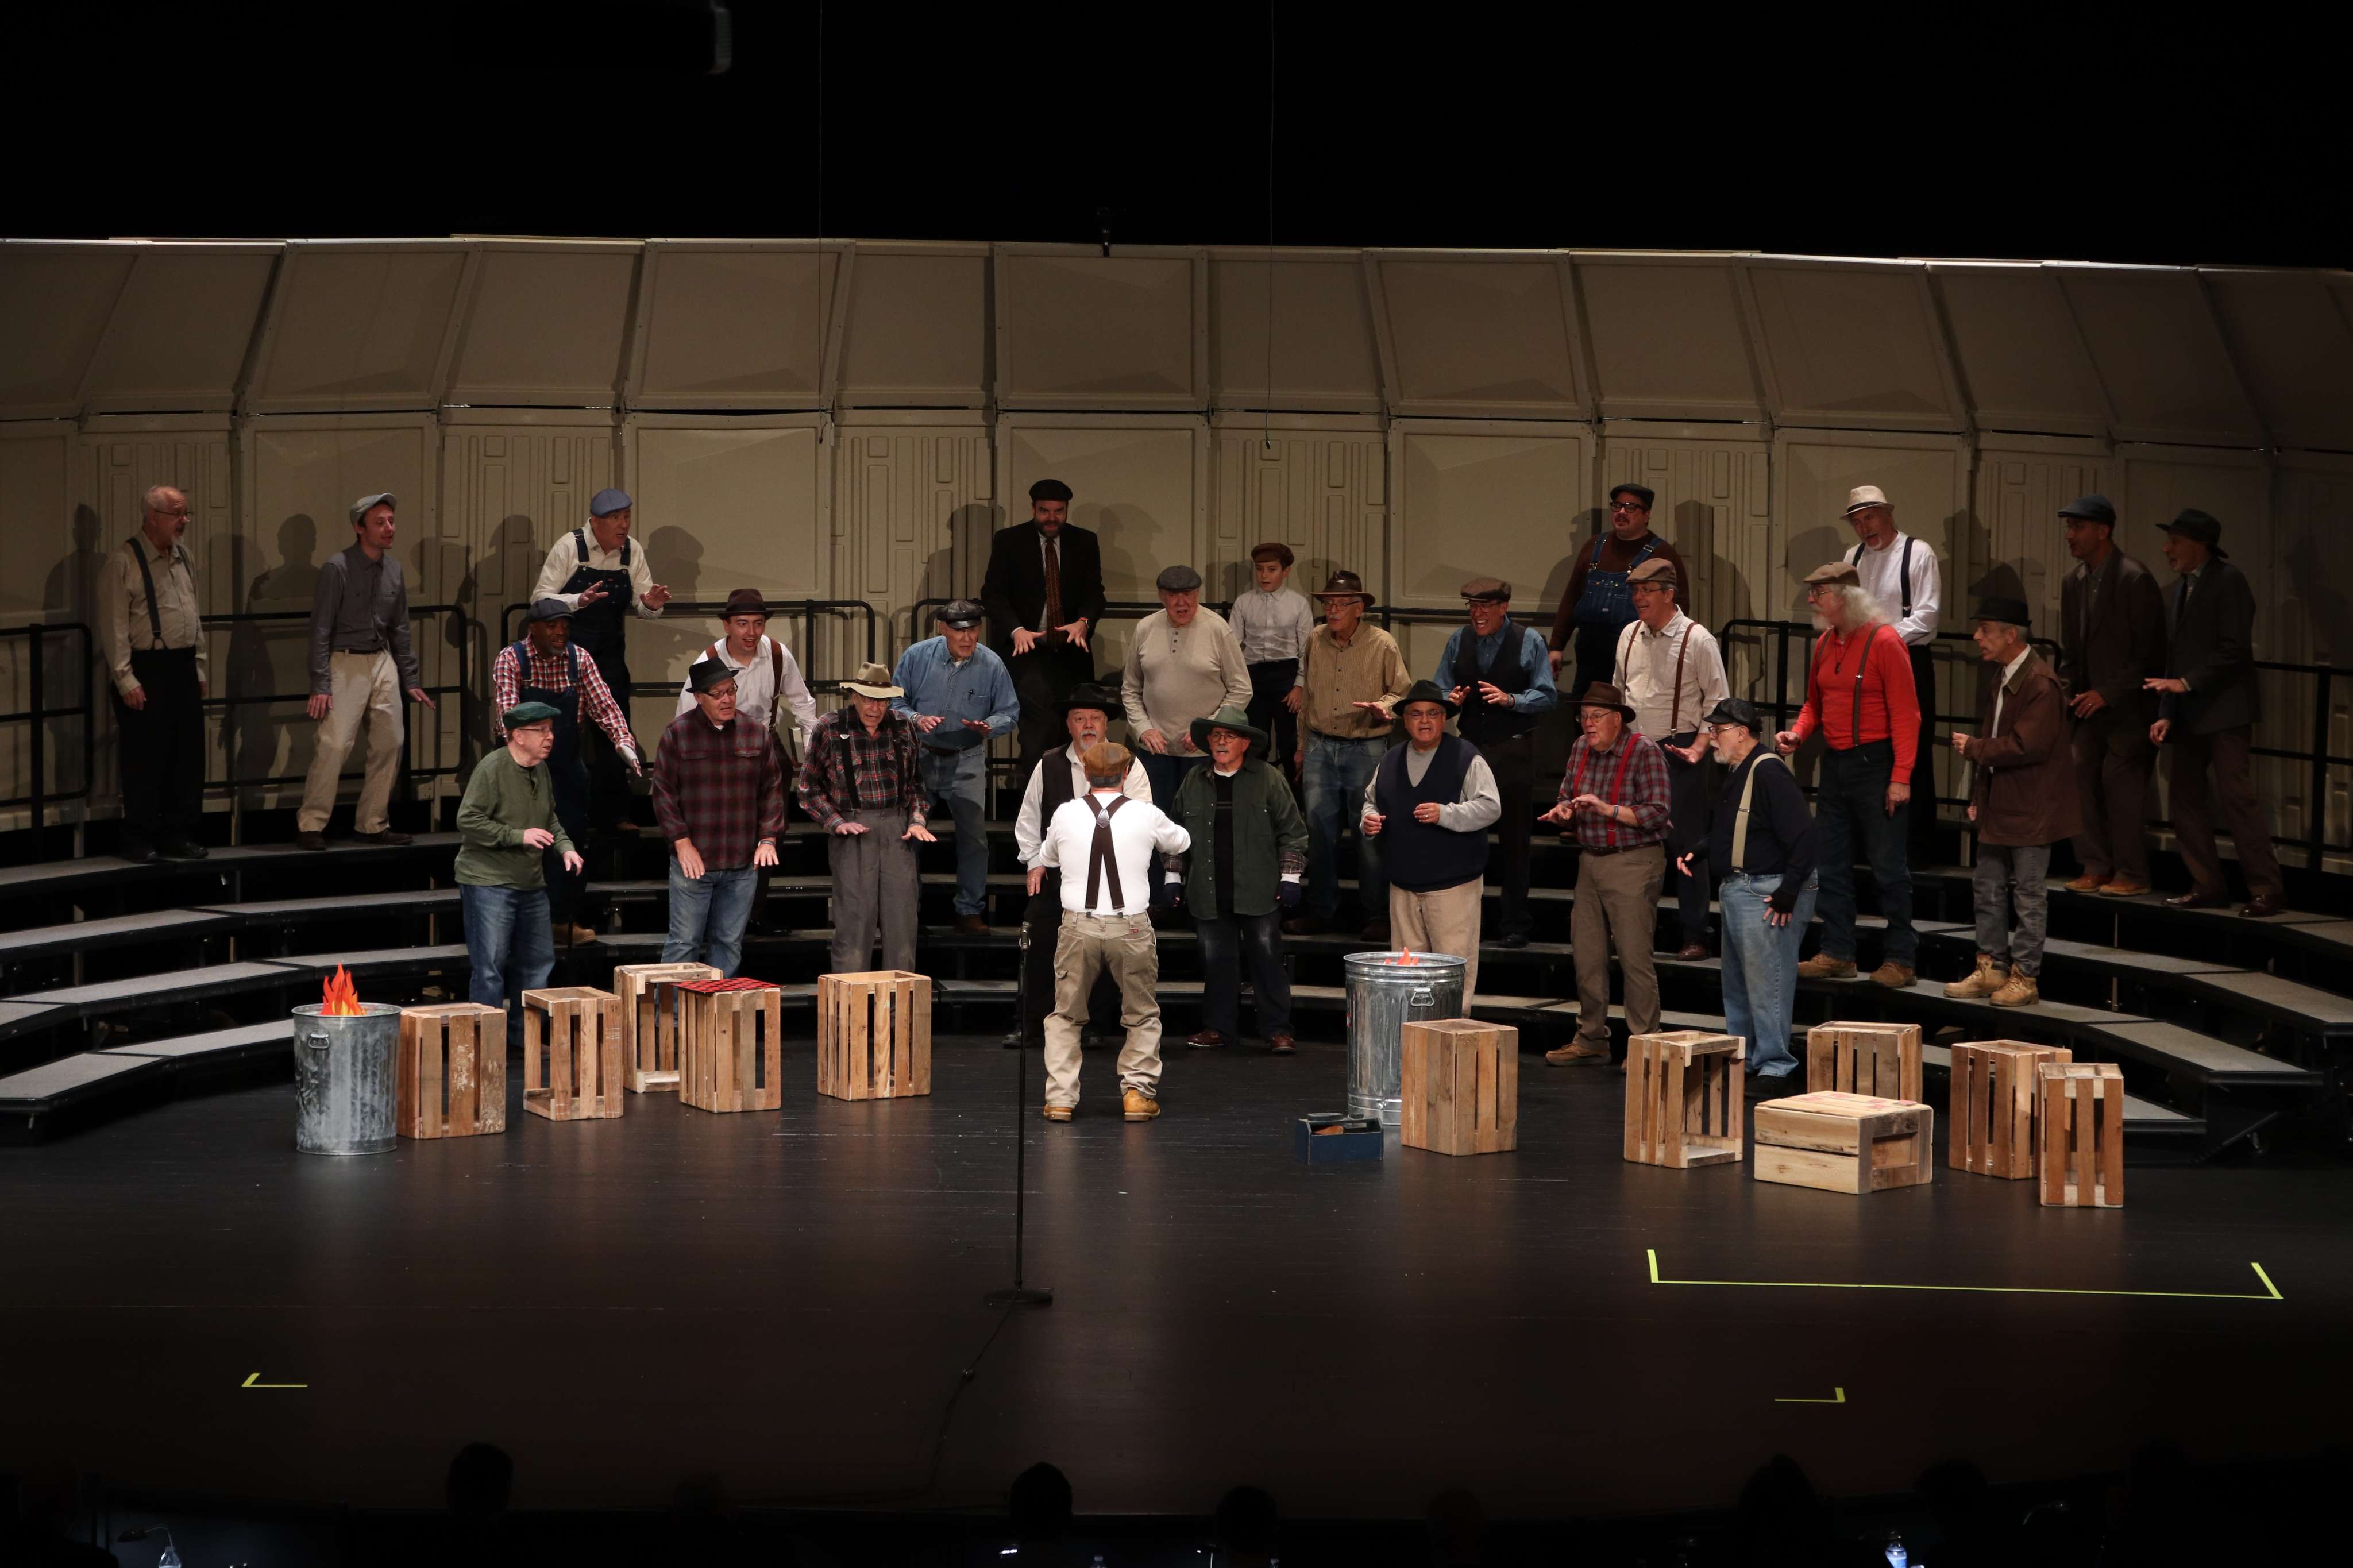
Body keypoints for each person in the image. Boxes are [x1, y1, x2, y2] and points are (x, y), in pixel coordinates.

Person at [1777, 561, 1920, 987]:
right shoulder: (1825, 643)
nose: (1811, 600)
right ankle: (1839, 952)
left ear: (1845, 597)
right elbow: (1814, 704)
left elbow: (1907, 715)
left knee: (1888, 866)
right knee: (1831, 863)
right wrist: (1799, 733)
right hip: (1836, 764)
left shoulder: (1885, 642)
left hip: (1877, 765)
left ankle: (1901, 959)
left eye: (1819, 593)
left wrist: (1901, 776)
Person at [1034, 740, 1191, 1121]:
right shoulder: (1146, 813)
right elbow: (1182, 841)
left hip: (1079, 926)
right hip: (1131, 927)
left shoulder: (1066, 813)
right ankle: (1136, 1094)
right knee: (1141, 1014)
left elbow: (1047, 857)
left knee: (1066, 1015)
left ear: (1087, 774)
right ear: (1126, 774)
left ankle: (1061, 1099)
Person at [2145, 509, 2282, 917]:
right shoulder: (2180, 589)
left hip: (2225, 710)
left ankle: (2267, 889)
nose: (2167, 549)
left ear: (2200, 545)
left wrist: (2187, 684)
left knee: (2237, 798)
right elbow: (2174, 657)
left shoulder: (2229, 581)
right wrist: (2167, 710)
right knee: (2185, 798)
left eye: (2175, 541)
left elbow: (2233, 648)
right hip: (2189, 713)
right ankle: (2207, 885)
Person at [1946, 599, 2081, 1007]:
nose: (1977, 637)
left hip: (2031, 806)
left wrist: (1974, 748)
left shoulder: (2040, 683)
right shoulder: (2004, 676)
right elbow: (1999, 736)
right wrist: (1979, 795)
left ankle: (2025, 976)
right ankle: (1992, 967)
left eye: (1985, 629)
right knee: (1986, 885)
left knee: (2028, 893)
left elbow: (2026, 746)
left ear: (2010, 635)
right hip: (2002, 801)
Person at [490, 600, 643, 946]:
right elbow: (507, 718)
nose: (561, 632)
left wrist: (624, 743)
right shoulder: (512, 659)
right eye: (553, 625)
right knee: (523, 845)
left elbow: (605, 707)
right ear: (533, 628)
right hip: (523, 767)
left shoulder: (579, 659)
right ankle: (518, 926)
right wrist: (530, 752)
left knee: (570, 842)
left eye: (565, 626)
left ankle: (561, 920)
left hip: (566, 767)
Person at [1684, 698, 1817, 1090]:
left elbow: (1805, 836)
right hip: (1741, 888)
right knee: (1739, 985)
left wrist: (1788, 891)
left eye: (1718, 731)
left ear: (1742, 733)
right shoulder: (1739, 771)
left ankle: (1776, 1064)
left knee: (1766, 983)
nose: (1712, 738)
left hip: (1765, 889)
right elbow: (1735, 827)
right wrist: (1702, 849)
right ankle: (1745, 1059)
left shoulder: (1769, 771)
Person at [1011, 683, 1152, 1050]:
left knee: (1103, 950)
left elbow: (1143, 818)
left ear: (1106, 725)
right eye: (1079, 719)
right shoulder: (1049, 763)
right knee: (1042, 945)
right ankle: (1032, 1023)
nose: (1088, 725)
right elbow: (1029, 819)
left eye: (1095, 718)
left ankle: (1092, 1025)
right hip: (1058, 874)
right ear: (1069, 725)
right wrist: (1034, 863)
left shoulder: (1130, 764)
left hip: (1109, 875)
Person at [1539, 683, 1671, 1065]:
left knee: (1633, 957)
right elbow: (1567, 793)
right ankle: (1592, 1037)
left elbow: (1658, 812)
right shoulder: (1581, 747)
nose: (1588, 724)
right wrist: (1564, 810)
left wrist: (1607, 809)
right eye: (1584, 717)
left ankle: (1645, 1044)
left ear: (1617, 720)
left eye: (1597, 716)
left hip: (1634, 861)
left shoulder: (1643, 750)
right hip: (1591, 860)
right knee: (1588, 956)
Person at [297, 492, 437, 851]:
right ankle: (311, 824)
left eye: (391, 521)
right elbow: (320, 629)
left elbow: (400, 627)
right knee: (334, 744)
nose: (389, 528)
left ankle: (373, 823)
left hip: (381, 658)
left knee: (391, 741)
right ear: (359, 529)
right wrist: (321, 683)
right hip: (345, 660)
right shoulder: (338, 568)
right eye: (380, 522)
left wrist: (410, 678)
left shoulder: (394, 569)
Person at [1164, 706, 1307, 1053]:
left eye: (1229, 736)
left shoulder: (1269, 778)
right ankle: (1219, 1029)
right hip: (1207, 889)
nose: (1221, 742)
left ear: (1245, 744)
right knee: (1216, 962)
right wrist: (1172, 876)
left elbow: (1292, 831)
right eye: (1216, 736)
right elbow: (1174, 834)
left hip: (1259, 889)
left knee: (1268, 960)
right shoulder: (1194, 780)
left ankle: (1277, 1031)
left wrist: (1290, 877)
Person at [533, 487, 673, 831]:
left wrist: (651, 605)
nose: (623, 524)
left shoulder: (632, 551)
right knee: (561, 729)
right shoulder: (570, 546)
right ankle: (555, 816)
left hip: (609, 653)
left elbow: (643, 604)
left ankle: (614, 815)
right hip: (565, 653)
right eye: (614, 518)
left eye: (626, 516)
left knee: (615, 727)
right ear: (595, 521)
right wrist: (577, 600)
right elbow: (539, 599)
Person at [1614, 555, 1730, 958]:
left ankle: (1696, 934)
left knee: (1686, 845)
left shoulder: (1698, 640)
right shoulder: (1629, 635)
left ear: (1669, 594)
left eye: (1646, 590)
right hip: (1634, 751)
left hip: (1678, 751)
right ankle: (1630, 933)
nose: (1638, 597)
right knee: (1631, 847)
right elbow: (1619, 693)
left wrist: (1699, 747)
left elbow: (1718, 703)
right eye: (1635, 590)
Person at [1288, 569, 1411, 941]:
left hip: (1366, 747)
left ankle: (1376, 915)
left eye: (1342, 604)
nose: (1333, 610)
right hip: (1320, 746)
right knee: (1319, 833)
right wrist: (1301, 746)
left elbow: (1402, 693)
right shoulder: (1315, 638)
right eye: (1329, 603)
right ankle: (1321, 911)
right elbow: (1308, 696)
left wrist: (1382, 707)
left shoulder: (1382, 643)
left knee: (1369, 832)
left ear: (1360, 609)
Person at [1435, 577, 1557, 948]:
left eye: (1485, 606)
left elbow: (1547, 695)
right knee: (1461, 832)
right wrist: (1450, 699)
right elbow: (1440, 687)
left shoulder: (1529, 640)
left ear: (1504, 607)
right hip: (1470, 749)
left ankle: (1515, 923)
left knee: (1515, 840)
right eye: (1472, 606)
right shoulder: (1459, 640)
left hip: (1512, 749)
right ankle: (1460, 923)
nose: (1477, 613)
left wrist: (1511, 700)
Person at [1360, 682, 1500, 1003]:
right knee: (1408, 979)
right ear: (1405, 720)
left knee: (1452, 979)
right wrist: (1368, 820)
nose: (1424, 721)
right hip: (1403, 887)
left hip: (1453, 887)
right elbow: (1371, 801)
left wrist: (1446, 814)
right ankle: (1413, 1035)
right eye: (1416, 714)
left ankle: (1454, 1035)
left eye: (1433, 713)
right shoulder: (1391, 759)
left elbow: (1491, 807)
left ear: (1444, 718)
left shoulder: (1466, 757)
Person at [2057, 495, 2167, 897]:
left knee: (2121, 786)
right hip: (2089, 706)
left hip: (2130, 707)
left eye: (2078, 527)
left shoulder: (2133, 578)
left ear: (2103, 531)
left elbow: (2151, 654)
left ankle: (2132, 873)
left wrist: (2107, 692)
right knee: (2075, 772)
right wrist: (2064, 694)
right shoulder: (2074, 582)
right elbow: (2072, 651)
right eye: (2069, 527)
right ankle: (2096, 864)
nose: (2070, 535)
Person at [456, 701, 582, 1049]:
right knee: (490, 968)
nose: (550, 737)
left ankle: (522, 1038)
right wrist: (517, 835)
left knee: (537, 963)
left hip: (530, 883)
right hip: (489, 882)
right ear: (518, 736)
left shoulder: (540, 770)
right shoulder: (492, 768)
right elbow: (468, 819)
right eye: (541, 731)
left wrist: (565, 847)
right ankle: (486, 1045)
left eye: (550, 730)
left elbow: (549, 817)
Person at [799, 662, 937, 973]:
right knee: (854, 926)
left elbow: (916, 786)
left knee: (902, 924)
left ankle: (900, 1003)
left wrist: (917, 821)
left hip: (897, 830)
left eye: (883, 701)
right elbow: (808, 790)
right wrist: (836, 822)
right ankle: (850, 1003)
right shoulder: (830, 727)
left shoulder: (902, 727)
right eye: (868, 699)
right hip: (852, 831)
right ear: (855, 697)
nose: (875, 708)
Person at [650, 658, 786, 976]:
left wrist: (768, 838)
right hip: (694, 861)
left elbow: (772, 790)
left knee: (728, 943)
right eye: (717, 694)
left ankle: (718, 1009)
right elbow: (663, 793)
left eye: (731, 691)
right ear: (699, 697)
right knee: (684, 942)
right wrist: (681, 842)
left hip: (742, 861)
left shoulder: (755, 732)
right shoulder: (678, 733)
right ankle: (670, 1009)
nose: (727, 699)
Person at [892, 598, 1019, 933]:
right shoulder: (917, 656)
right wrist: (916, 719)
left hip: (967, 759)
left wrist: (989, 726)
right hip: (920, 758)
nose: (967, 638)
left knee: (974, 839)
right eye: (960, 631)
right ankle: (907, 910)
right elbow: (894, 702)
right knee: (909, 836)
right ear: (943, 629)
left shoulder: (991, 664)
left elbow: (1009, 712)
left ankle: (968, 910)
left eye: (973, 630)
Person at [102, 484, 209, 863]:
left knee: (186, 758)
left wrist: (199, 665)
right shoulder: (123, 562)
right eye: (177, 514)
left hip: (181, 667)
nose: (185, 521)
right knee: (145, 760)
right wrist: (125, 679)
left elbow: (193, 614)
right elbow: (113, 626)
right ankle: (139, 836)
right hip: (147, 670)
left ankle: (178, 834)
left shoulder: (184, 557)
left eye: (185, 513)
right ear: (152, 517)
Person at [1842, 485, 1943, 856]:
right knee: (1868, 746)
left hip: (1908, 660)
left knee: (1911, 749)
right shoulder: (1853, 557)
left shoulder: (1918, 553)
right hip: (1866, 664)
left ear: (1888, 514)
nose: (1864, 528)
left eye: (1869, 518)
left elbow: (1927, 616)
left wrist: (1881, 641)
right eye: (1857, 522)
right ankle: (1868, 844)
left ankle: (1915, 847)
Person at [981, 477, 1106, 773]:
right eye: (1045, 511)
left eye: (1059, 511)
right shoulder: (1009, 540)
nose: (1052, 518)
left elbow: (1095, 593)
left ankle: (1074, 799)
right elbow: (993, 594)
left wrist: (1083, 623)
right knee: (1038, 733)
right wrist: (1016, 630)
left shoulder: (1085, 541)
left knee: (1075, 730)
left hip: (1070, 651)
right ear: (1033, 509)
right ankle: (1036, 801)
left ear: (1066, 511)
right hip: (1028, 652)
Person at [1121, 563, 1251, 806]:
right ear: (1162, 597)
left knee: (1199, 818)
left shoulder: (1218, 629)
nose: (1181, 603)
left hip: (1203, 750)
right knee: (1155, 817)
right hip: (1154, 750)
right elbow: (1130, 688)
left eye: (1188, 594)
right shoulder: (1145, 628)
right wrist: (1143, 728)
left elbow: (1242, 689)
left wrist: (1207, 728)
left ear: (1198, 594)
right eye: (1173, 596)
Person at [1546, 483, 1689, 695]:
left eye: (1630, 507)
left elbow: (1679, 606)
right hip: (1590, 658)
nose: (1622, 512)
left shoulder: (1662, 553)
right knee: (1586, 710)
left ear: (1647, 514)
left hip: (1639, 657)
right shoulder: (1594, 546)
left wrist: (1668, 649)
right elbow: (1572, 598)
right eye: (1617, 506)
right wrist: (1556, 646)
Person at [672, 588, 820, 754]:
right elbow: (685, 717)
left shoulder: (778, 654)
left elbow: (802, 702)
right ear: (727, 625)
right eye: (742, 624)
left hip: (767, 740)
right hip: (722, 744)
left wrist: (810, 748)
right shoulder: (709, 660)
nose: (752, 632)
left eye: (758, 623)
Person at [1230, 541, 1315, 782]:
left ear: (1286, 571)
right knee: (1255, 739)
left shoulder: (1298, 604)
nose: (1264, 575)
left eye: (1272, 569)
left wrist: (1299, 685)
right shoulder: (1244, 602)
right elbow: (1232, 645)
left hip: (1286, 674)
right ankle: (1256, 791)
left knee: (1290, 741)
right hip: (1253, 675)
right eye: (1260, 569)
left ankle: (1295, 796)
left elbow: (1307, 649)